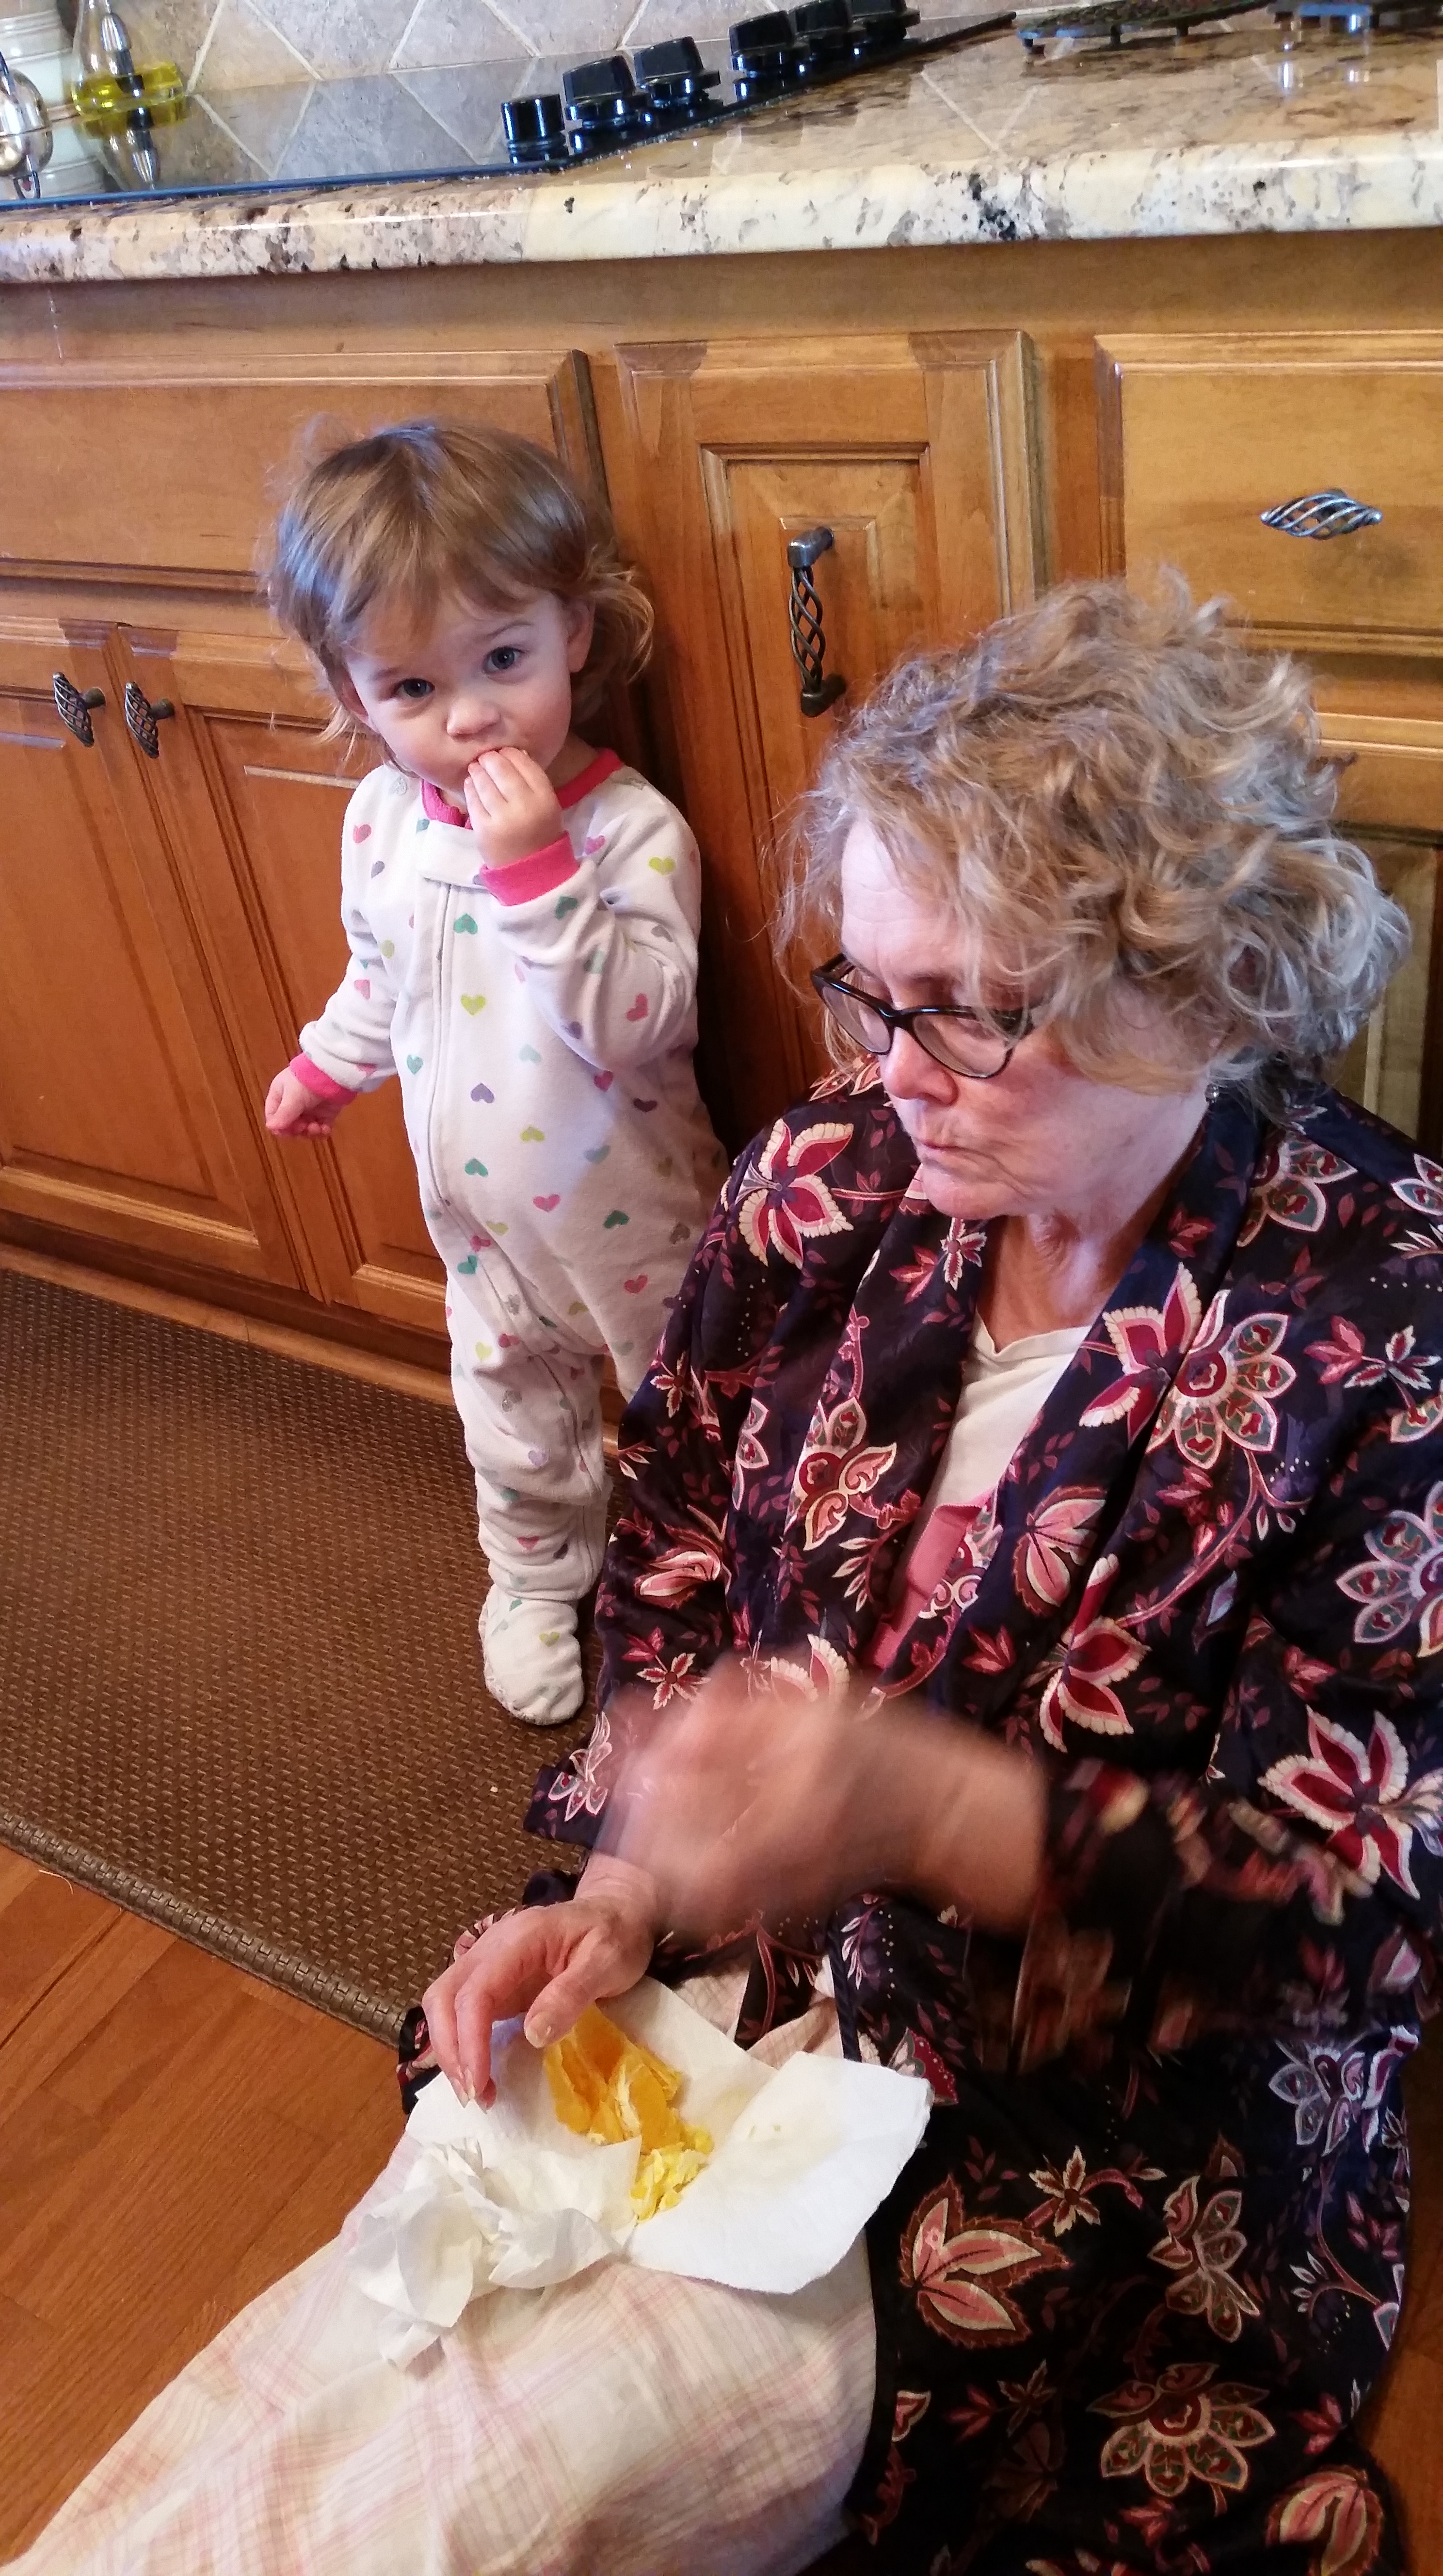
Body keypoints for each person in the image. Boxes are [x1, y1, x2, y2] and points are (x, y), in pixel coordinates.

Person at [11, 580, 1437, 2576]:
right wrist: (619, 1886)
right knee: (336, 2406)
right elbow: (674, 1549)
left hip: (1081, 2111)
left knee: (475, 2502)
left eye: (972, 1007)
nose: (895, 1068)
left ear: (1208, 990)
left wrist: (930, 1808)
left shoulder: (1387, 1335)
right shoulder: (834, 1176)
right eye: (869, 988)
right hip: (726, 1967)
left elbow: (1360, 1919)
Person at [262, 419, 726, 1724]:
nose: (469, 718)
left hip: (633, 1220)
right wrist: (328, 1063)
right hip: (476, 1224)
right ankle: (531, 1580)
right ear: (355, 693)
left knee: (690, 1407)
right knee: (512, 1413)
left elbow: (638, 1023)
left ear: (573, 632)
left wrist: (537, 873)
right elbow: (383, 971)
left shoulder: (629, 831)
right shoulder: (380, 821)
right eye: (412, 688)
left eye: (503, 661)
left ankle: (714, 1586)